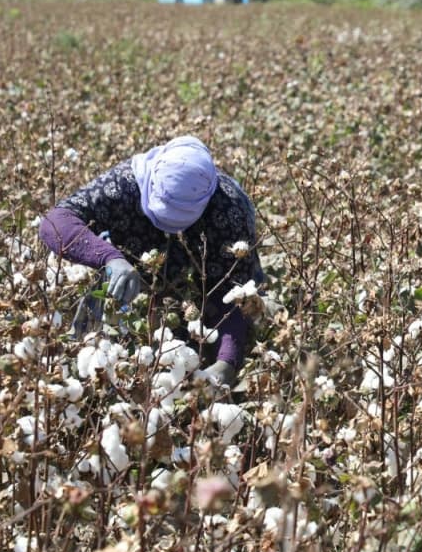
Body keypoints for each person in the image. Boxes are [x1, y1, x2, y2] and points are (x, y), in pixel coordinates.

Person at [39, 135, 264, 387]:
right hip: (125, 286)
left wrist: (226, 363)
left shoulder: (231, 210)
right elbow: (55, 222)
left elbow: (233, 295)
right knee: (95, 358)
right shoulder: (123, 185)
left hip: (194, 301)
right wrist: (111, 259)